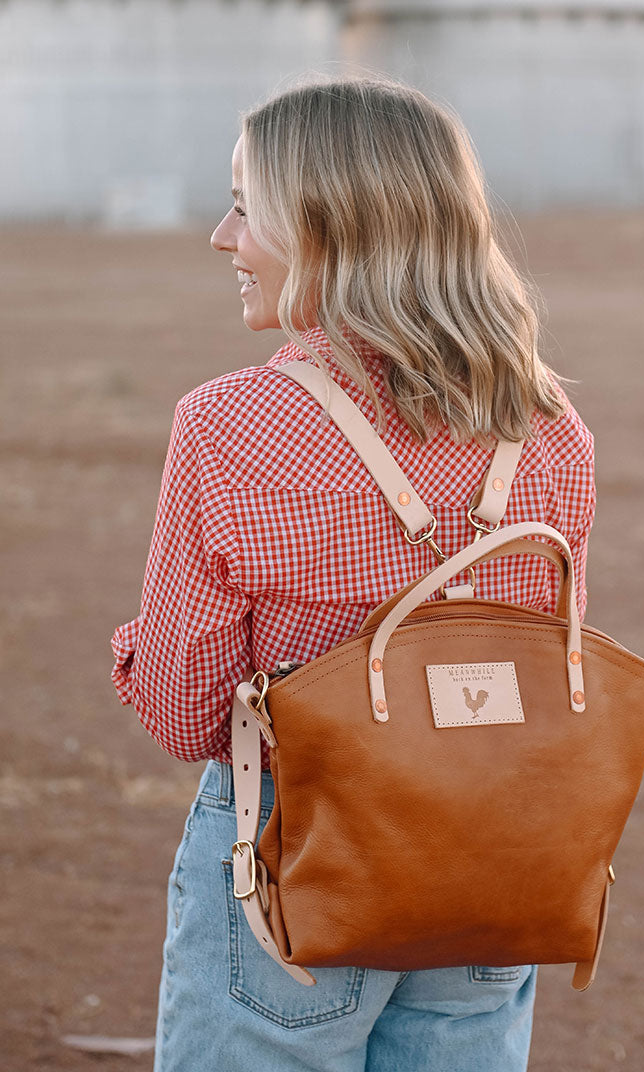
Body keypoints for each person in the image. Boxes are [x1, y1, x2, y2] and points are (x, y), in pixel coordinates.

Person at [110, 73, 596, 1072]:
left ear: (326, 228)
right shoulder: (553, 431)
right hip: (496, 851)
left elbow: (184, 714)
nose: (220, 235)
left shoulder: (227, 426)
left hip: (298, 852)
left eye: (247, 206)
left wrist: (139, 647)